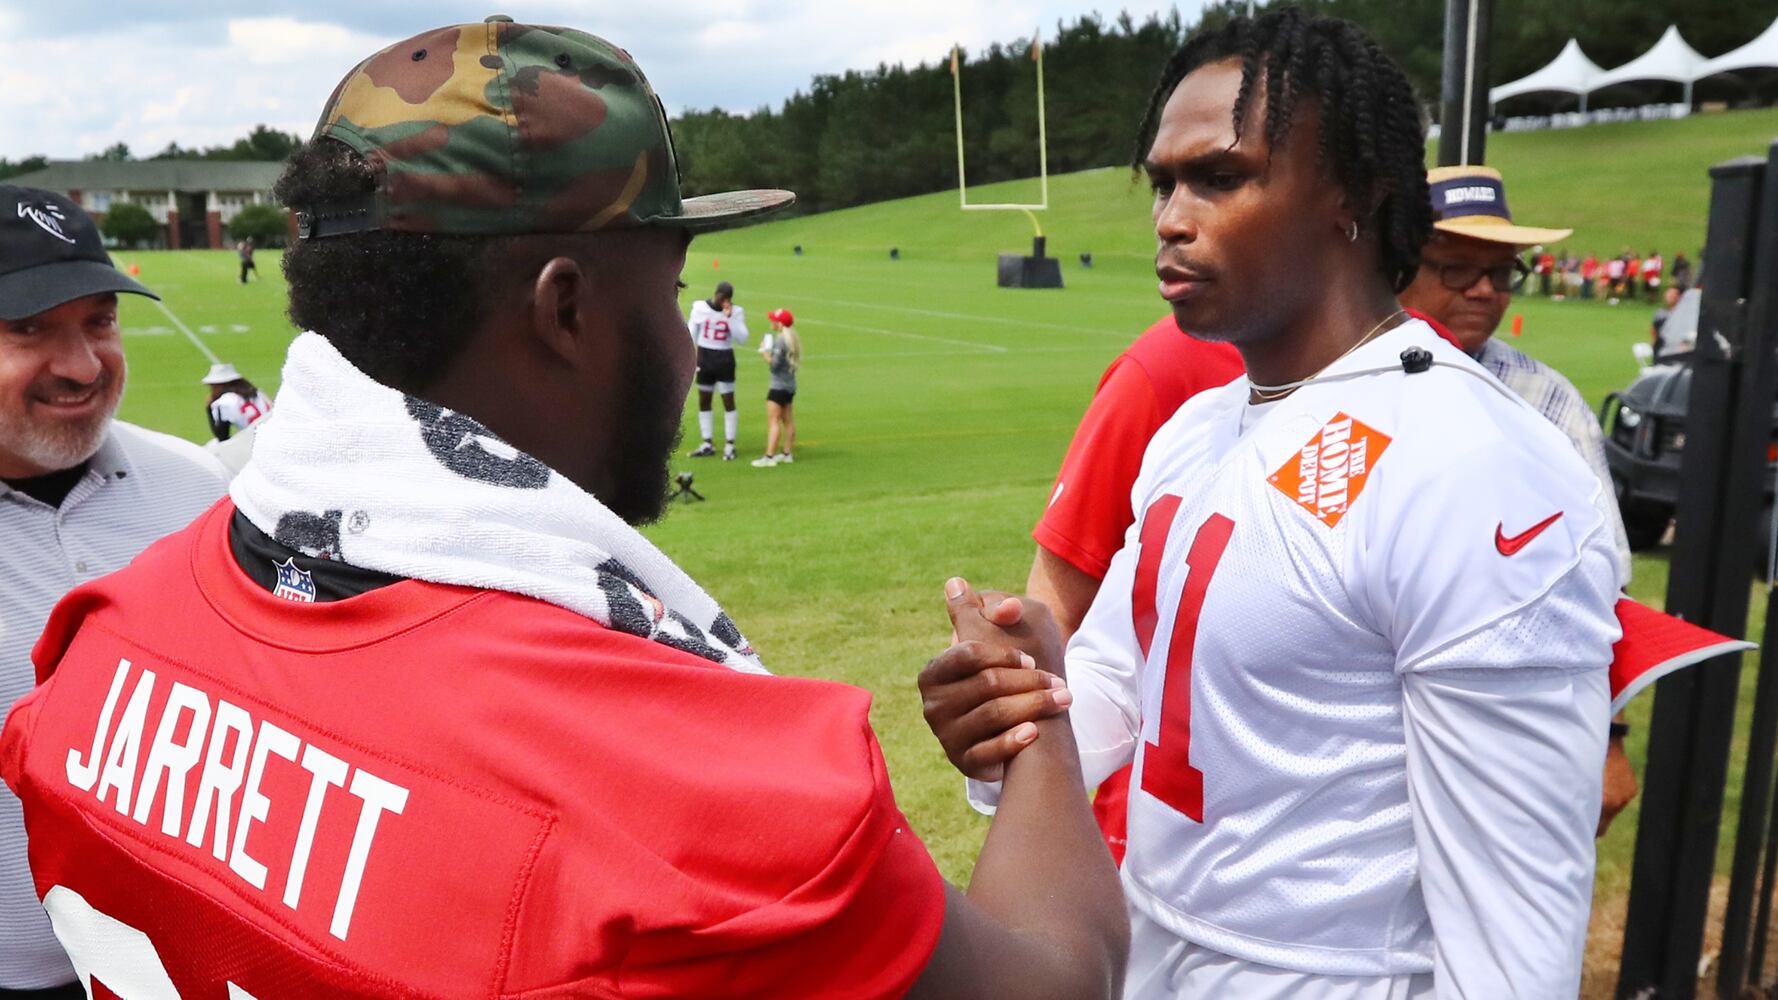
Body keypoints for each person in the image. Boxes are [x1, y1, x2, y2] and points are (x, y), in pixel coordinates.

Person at [0, 21, 1128, 999]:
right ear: (568, 309)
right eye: (669, 291)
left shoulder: (98, 636)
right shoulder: (699, 788)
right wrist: (1039, 725)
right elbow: (1054, 976)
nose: (686, 344)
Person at [922, 10, 1621, 995]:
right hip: (1152, 960)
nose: (1169, 215)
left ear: (1352, 198)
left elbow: (1512, 941)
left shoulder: (1474, 467)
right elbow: (1115, 694)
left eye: (1218, 176)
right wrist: (1018, 708)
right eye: (1162, 181)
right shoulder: (1197, 429)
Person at [0, 184, 228, 995]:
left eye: (99, 321)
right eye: (30, 329)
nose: (83, 366)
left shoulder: (200, 490)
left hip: (179, 969)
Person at [1398, 163, 1641, 835]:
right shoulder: (1328, 379)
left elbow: (1605, 584)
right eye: (1457, 269)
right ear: (1398, 262)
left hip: (1505, 732)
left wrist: (1611, 736)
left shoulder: (1547, 400)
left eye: (1502, 275)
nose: (1484, 290)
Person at [1025, 315, 1242, 860]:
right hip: (1152, 846)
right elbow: (1063, 615)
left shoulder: (1458, 406)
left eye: (1490, 272)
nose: (1171, 224)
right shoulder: (1171, 375)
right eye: (1453, 266)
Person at [687, 280, 749, 460]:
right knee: (704, 399)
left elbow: (743, 338)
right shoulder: (699, 308)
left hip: (724, 359)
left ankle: (730, 443)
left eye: (726, 298)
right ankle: (707, 442)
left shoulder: (736, 312)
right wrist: (692, 356)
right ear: (716, 294)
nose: (723, 301)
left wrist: (729, 318)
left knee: (728, 400)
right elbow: (692, 332)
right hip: (705, 357)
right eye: (721, 297)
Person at [200, 361, 271, 478]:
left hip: (252, 445)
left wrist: (209, 409)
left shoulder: (224, 402)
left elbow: (222, 436)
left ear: (219, 385)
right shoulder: (259, 394)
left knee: (211, 450)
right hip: (272, 438)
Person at [751, 308, 800, 467]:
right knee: (788, 420)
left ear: (779, 324)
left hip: (778, 386)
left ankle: (769, 456)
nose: (771, 322)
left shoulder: (780, 341)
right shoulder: (793, 339)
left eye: (774, 320)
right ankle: (787, 453)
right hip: (790, 385)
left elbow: (775, 366)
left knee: (773, 421)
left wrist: (765, 352)